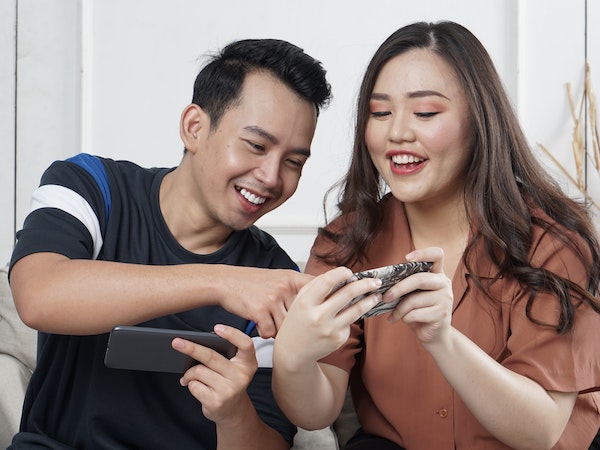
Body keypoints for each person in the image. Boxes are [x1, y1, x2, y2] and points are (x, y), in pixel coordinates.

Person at [272, 21, 600, 449]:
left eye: (426, 113)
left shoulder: (553, 242)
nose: (397, 133)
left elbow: (540, 430)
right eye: (380, 112)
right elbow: (319, 408)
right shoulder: (348, 240)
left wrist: (442, 340)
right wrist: (293, 356)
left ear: (479, 121)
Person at [8, 38, 331, 449]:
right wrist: (220, 282)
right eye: (256, 145)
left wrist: (233, 414)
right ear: (195, 127)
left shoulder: (273, 280)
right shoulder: (92, 186)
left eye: (293, 162)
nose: (271, 177)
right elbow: (39, 295)